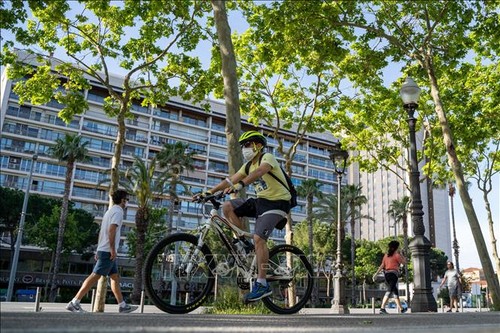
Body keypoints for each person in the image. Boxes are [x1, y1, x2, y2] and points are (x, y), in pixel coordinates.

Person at [193, 130, 291, 303]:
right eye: (243, 146)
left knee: (259, 238)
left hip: (278, 203)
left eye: (247, 144)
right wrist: (209, 191)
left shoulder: (266, 157)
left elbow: (261, 171)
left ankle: (262, 283)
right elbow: (230, 180)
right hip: (261, 202)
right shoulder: (247, 166)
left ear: (258, 145)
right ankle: (243, 244)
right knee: (228, 206)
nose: (245, 149)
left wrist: (241, 184)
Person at [66, 189, 137, 313]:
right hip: (108, 251)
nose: (127, 202)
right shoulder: (118, 212)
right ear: (122, 200)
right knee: (95, 276)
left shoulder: (109, 211)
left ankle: (122, 305)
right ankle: (74, 302)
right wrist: (112, 250)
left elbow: (101, 232)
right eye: (126, 199)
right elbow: (111, 230)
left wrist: (98, 250)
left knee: (114, 277)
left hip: (103, 249)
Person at [373, 240, 407, 314]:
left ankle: (401, 309)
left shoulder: (386, 255)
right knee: (390, 290)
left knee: (395, 291)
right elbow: (404, 262)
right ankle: (382, 308)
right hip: (393, 275)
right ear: (396, 247)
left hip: (387, 275)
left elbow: (382, 265)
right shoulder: (397, 255)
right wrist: (402, 255)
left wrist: (376, 274)